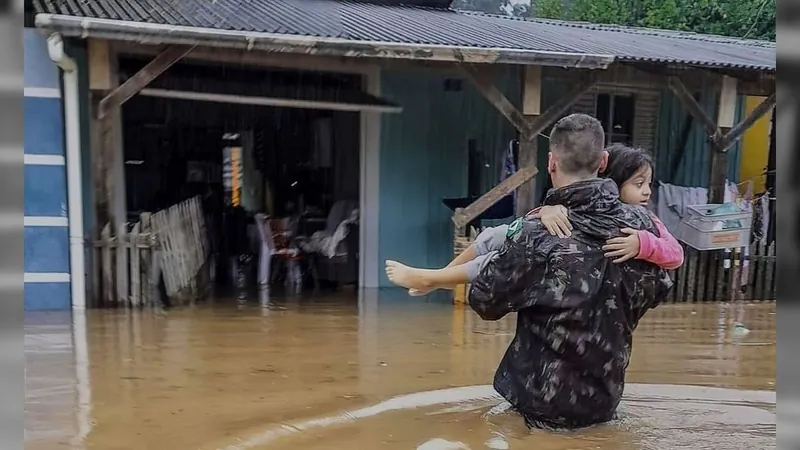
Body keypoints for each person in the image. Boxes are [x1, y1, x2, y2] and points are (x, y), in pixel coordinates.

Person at [405, 113, 673, 430]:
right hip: (607, 400)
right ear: (603, 162)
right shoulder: (643, 227)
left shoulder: (536, 234)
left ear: (550, 163)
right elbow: (659, 289)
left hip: (540, 405)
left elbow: (486, 301)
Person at [385, 144, 683, 294]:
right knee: (494, 236)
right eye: (638, 184)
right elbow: (533, 226)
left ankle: (434, 279)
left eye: (648, 185)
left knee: (500, 259)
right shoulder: (578, 203)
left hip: (581, 276)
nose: (646, 192)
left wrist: (643, 244)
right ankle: (441, 277)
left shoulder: (644, 221)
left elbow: (676, 254)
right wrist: (545, 210)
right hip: (569, 267)